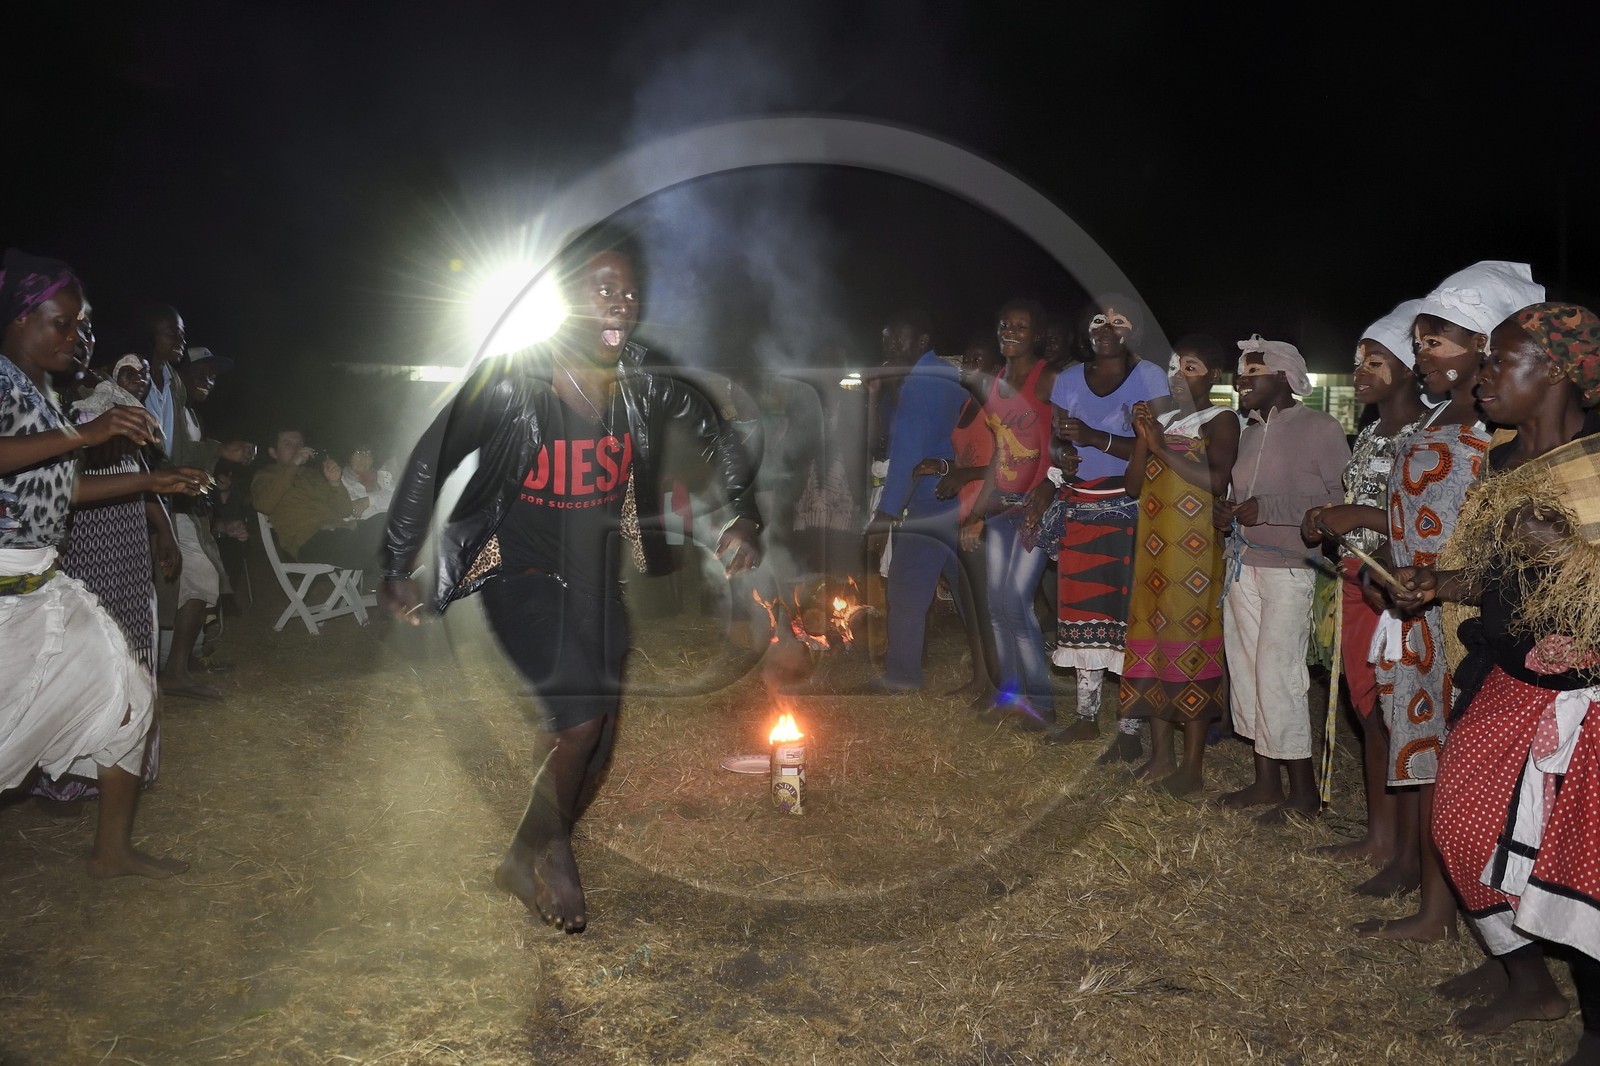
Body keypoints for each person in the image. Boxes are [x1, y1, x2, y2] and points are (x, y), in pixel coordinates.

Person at [381, 226, 761, 933]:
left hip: (594, 576)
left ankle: (525, 854)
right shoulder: (510, 382)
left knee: (592, 736)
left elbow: (718, 430)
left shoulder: (646, 382)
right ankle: (545, 855)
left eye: (628, 292)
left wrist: (744, 515)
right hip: (515, 568)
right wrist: (398, 563)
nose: (619, 304)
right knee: (581, 718)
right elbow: (431, 460)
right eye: (602, 289)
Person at [1391, 304, 1600, 1060]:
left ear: (1555, 371)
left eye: (1499, 362)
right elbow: (1493, 577)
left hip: (1586, 697)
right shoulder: (1504, 463)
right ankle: (1527, 982)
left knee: (1580, 870)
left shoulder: (1596, 463)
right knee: (1459, 826)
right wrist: (1438, 585)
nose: (1482, 378)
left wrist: (1568, 554)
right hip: (1507, 677)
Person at [1354, 261, 1543, 942]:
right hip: (1418, 611)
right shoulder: (1444, 416)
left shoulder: (1494, 439)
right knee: (1431, 762)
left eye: (1436, 343)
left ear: (1487, 347)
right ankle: (1440, 908)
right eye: (1422, 342)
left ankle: (1458, 917)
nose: (1421, 355)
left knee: (1459, 772)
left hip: (1460, 621)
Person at [0, 248, 203, 877]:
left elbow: (60, 490)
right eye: (61, 323)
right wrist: (84, 435)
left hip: (44, 586)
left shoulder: (45, 393)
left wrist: (152, 484)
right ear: (17, 318)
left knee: (130, 694)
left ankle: (110, 851)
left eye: (85, 326)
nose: (78, 337)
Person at [1300, 301, 1426, 883]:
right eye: (1359, 361)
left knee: (1400, 715)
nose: (1362, 372)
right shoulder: (1373, 431)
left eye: (1377, 361)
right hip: (1357, 581)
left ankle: (1409, 848)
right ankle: (1380, 836)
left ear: (1408, 365)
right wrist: (1328, 518)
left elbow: (1423, 519)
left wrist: (1354, 514)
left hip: (1400, 588)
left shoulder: (1430, 431)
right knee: (1367, 710)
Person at [32, 350, 180, 805]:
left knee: (134, 649)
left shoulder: (137, 425)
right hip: (91, 550)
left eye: (145, 374)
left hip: (131, 551)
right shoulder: (82, 417)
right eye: (130, 372)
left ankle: (126, 771)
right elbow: (68, 487)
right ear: (114, 375)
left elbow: (146, 484)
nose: (140, 379)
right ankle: (64, 783)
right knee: (88, 659)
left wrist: (167, 534)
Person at [1213, 336, 1348, 821]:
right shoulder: (1248, 432)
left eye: (1252, 374)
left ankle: (1304, 793)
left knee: (1280, 676)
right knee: (1247, 674)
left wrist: (1267, 509)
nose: (1240, 381)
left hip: (1292, 569)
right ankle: (1265, 783)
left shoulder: (1321, 428)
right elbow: (1243, 497)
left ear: (1283, 376)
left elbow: (1339, 505)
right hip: (1242, 567)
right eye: (1240, 374)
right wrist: (1228, 514)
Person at [1039, 295, 1170, 748]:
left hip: (1131, 506)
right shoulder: (1070, 378)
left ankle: (1131, 728)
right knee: (1081, 611)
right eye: (1098, 318)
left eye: (1119, 320)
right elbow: (1055, 443)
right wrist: (1067, 454)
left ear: (1134, 331)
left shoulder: (1150, 376)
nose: (1107, 327)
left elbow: (1160, 445)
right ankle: (1085, 716)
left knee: (1127, 617)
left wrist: (1096, 437)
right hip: (1079, 503)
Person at [1119, 336, 1240, 793]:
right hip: (1152, 552)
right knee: (1151, 642)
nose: (1177, 374)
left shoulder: (1220, 418)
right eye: (1174, 366)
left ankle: (1191, 766)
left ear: (1212, 376)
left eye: (1190, 367)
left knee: (1189, 646)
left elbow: (1215, 479)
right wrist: (1142, 442)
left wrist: (1161, 447)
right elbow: (1133, 486)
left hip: (1193, 557)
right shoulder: (1162, 418)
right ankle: (1159, 757)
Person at [959, 303, 1059, 724]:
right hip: (1001, 506)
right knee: (998, 604)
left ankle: (1042, 702)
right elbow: (1000, 452)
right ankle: (1011, 696)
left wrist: (1049, 484)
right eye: (1005, 325)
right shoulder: (996, 380)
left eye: (1021, 326)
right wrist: (978, 511)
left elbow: (1063, 440)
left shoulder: (1048, 378)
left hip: (1036, 507)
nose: (1011, 332)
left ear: (1036, 335)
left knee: (1017, 600)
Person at [865, 310, 969, 692]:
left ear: (922, 341)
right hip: (960, 498)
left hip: (931, 500)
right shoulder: (943, 375)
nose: (891, 347)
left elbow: (906, 455)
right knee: (971, 592)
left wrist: (885, 513)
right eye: (887, 341)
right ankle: (994, 674)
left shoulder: (920, 384)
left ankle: (901, 676)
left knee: (906, 589)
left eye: (900, 340)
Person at [918, 333, 1000, 704]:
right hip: (965, 510)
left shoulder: (1000, 405)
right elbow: (968, 460)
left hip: (992, 512)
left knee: (988, 606)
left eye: (978, 358)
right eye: (966, 358)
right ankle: (981, 679)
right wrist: (946, 465)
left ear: (997, 366)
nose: (969, 365)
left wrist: (964, 477)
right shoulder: (968, 403)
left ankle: (999, 686)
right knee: (971, 602)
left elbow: (1010, 467)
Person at [252, 427, 383, 570]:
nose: (296, 448)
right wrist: (293, 465)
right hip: (309, 541)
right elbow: (263, 504)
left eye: (300, 444)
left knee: (388, 522)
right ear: (273, 452)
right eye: (288, 444)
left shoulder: (313, 475)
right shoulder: (266, 476)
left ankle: (393, 577)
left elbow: (345, 510)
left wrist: (335, 483)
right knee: (380, 544)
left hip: (340, 531)